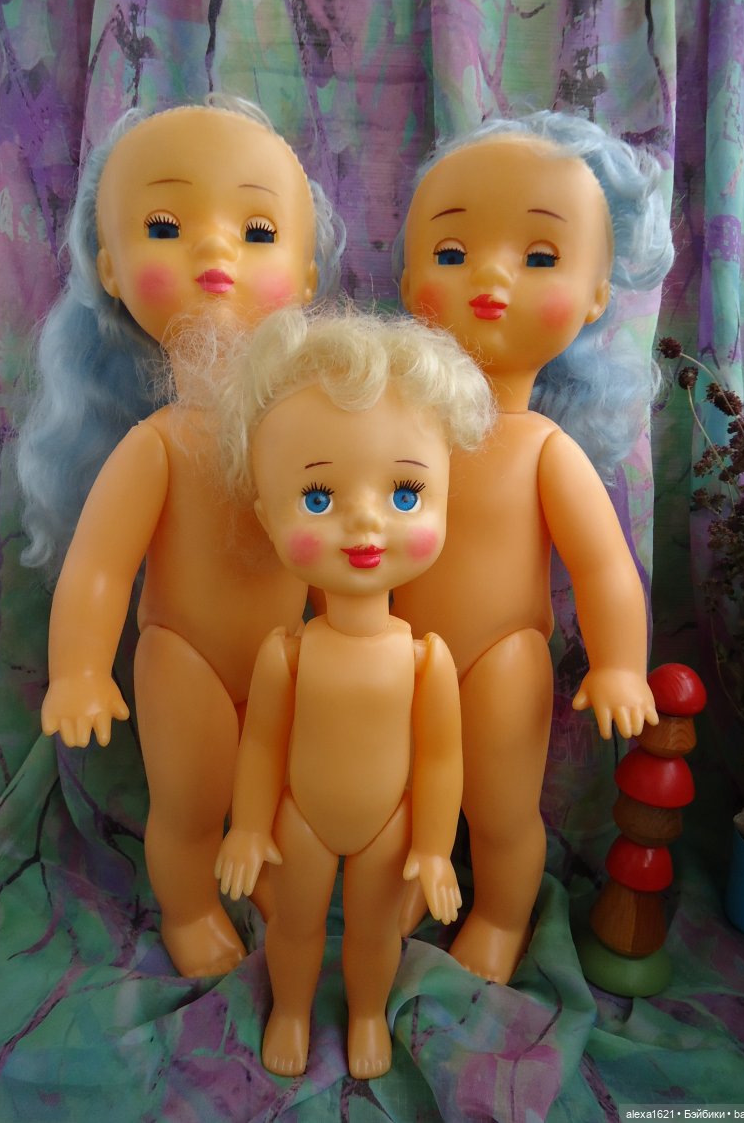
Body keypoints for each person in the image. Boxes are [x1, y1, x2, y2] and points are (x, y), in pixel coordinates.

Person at [16, 96, 344, 978]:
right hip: (184, 655)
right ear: (110, 268)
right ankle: (192, 906)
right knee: (193, 801)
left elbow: (344, 533)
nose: (214, 253)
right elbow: (100, 565)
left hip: (293, 654)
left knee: (285, 793)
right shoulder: (157, 444)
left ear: (305, 275)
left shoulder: (309, 431)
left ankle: (266, 880)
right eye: (165, 227)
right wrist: (81, 668)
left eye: (257, 231)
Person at [393, 110, 674, 984]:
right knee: (397, 789)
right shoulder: (397, 429)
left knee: (500, 807)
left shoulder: (544, 449)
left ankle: (500, 914)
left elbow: (603, 565)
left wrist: (620, 664)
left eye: (540, 256)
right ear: (408, 281)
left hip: (502, 657)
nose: (491, 277)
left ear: (594, 299)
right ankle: (403, 889)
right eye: (452, 252)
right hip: (392, 651)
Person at [214, 307, 495, 1078]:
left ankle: (368, 1011)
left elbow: (439, 760)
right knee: (295, 925)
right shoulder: (288, 653)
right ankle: (293, 1008)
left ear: (445, 495)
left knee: (375, 932)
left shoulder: (425, 660)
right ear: (267, 514)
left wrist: (433, 846)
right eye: (317, 497)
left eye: (405, 493)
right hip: (300, 818)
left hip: (388, 825)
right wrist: (248, 826)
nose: (366, 521)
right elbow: (261, 744)